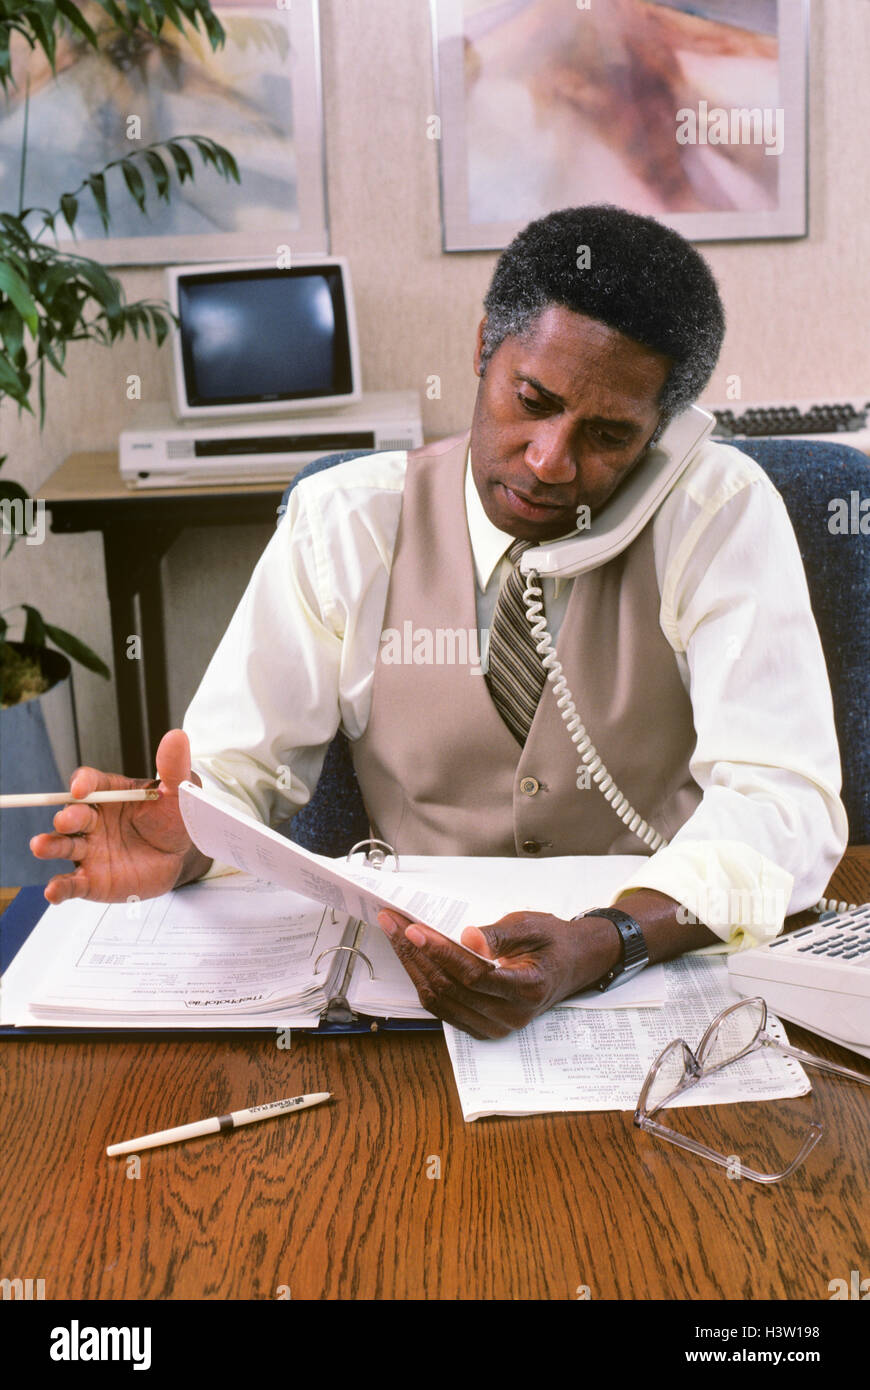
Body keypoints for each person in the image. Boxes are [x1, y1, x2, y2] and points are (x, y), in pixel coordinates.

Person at [31, 205, 847, 1039]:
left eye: (608, 436)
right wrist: (189, 842)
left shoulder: (718, 513)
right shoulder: (345, 522)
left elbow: (787, 805)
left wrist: (609, 939)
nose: (550, 461)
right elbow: (234, 776)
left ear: (664, 435)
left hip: (657, 990)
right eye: (533, 399)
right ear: (484, 346)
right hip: (406, 991)